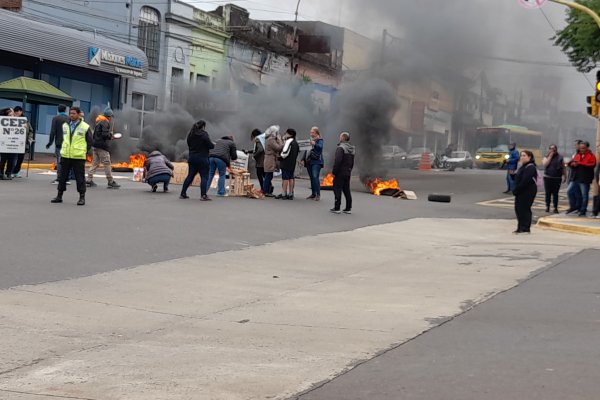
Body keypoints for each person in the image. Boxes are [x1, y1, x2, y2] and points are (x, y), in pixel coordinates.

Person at [51, 106, 92, 206]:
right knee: (62, 177)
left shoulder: (85, 127)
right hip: (65, 155)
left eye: (74, 113)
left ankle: (82, 197)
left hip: (78, 156)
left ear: (78, 114)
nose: (71, 115)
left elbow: (90, 142)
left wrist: (83, 152)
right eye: (70, 113)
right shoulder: (65, 125)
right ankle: (59, 196)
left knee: (80, 178)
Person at [180, 120, 214, 201]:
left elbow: (189, 144)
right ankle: (203, 195)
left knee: (190, 176)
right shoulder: (204, 134)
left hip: (192, 158)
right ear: (203, 126)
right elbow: (210, 145)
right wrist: (213, 145)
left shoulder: (191, 134)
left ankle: (183, 193)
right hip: (202, 158)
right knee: (204, 177)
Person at [87, 108, 120, 189]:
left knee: (95, 163)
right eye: (111, 117)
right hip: (102, 147)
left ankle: (89, 179)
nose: (111, 118)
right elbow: (105, 135)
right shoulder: (105, 122)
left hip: (95, 145)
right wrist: (111, 136)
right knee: (107, 163)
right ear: (109, 116)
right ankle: (110, 181)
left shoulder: (98, 122)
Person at [568, 141, 597, 217]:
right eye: (580, 148)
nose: (581, 149)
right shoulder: (577, 154)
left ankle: (583, 210)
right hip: (575, 178)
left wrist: (580, 163)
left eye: (583, 148)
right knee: (570, 191)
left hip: (584, 179)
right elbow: (572, 162)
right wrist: (572, 164)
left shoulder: (591, 155)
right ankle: (574, 207)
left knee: (584, 195)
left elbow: (592, 165)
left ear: (587, 148)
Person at [512, 150, 538, 234]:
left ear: (529, 157)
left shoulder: (530, 167)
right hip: (520, 191)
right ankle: (520, 227)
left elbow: (525, 180)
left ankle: (525, 228)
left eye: (524, 155)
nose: (522, 157)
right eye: (521, 155)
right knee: (518, 209)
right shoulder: (523, 166)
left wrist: (517, 189)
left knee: (524, 209)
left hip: (527, 191)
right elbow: (518, 178)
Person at [331, 132, 355, 214]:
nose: (339, 138)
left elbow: (337, 161)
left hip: (340, 172)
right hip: (347, 172)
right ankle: (348, 208)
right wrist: (349, 170)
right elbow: (352, 162)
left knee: (337, 189)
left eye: (340, 136)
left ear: (343, 138)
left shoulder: (340, 148)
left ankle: (337, 208)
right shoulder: (352, 149)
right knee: (346, 190)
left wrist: (334, 172)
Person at [46, 104, 70, 184]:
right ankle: (67, 178)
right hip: (68, 143)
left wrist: (50, 143)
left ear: (58, 110)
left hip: (59, 142)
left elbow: (53, 131)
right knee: (67, 160)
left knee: (60, 161)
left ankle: (59, 178)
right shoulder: (69, 118)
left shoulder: (56, 118)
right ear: (66, 110)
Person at [11, 106, 34, 178]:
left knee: (20, 159)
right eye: (16, 111)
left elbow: (31, 130)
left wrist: (30, 138)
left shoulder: (25, 120)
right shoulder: (11, 119)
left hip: (22, 143)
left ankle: (16, 171)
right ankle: (11, 171)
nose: (18, 113)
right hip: (13, 142)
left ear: (21, 112)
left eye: (19, 111)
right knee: (13, 158)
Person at [276, 128, 300, 200]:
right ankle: (291, 193)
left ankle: (284, 193)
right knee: (291, 178)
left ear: (290, 134)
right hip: (292, 163)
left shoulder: (288, 142)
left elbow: (285, 152)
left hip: (286, 162)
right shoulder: (295, 142)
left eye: (286, 133)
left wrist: (280, 157)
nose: (285, 134)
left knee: (285, 178)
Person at [542, 144, 565, 214]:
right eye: (551, 149)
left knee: (555, 194)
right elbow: (545, 164)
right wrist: (550, 156)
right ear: (549, 149)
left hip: (557, 178)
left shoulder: (560, 157)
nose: (553, 150)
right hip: (548, 177)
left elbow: (563, 167)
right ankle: (547, 206)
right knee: (548, 193)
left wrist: (565, 176)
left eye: (554, 149)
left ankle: (555, 207)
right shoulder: (546, 157)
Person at [262, 125, 283, 198]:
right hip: (270, 159)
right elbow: (278, 148)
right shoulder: (271, 140)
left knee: (268, 175)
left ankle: (266, 190)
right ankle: (266, 191)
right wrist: (280, 140)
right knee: (269, 176)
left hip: (269, 158)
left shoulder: (268, 138)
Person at [305, 126, 324, 201]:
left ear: (316, 133)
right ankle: (313, 194)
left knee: (315, 177)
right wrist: (303, 159)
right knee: (312, 178)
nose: (311, 133)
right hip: (310, 161)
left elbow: (320, 147)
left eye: (312, 132)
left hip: (317, 161)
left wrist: (314, 143)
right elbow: (307, 150)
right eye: (310, 132)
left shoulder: (320, 140)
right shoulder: (310, 140)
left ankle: (318, 194)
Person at [566, 140, 583, 214]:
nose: (575, 146)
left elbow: (576, 164)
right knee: (576, 193)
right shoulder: (575, 154)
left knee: (570, 191)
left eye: (576, 145)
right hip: (573, 176)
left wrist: (571, 163)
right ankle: (577, 207)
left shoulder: (581, 154)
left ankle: (574, 207)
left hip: (578, 177)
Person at [0, 107, 16, 180]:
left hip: (13, 144)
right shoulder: (1, 121)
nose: (12, 116)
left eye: (13, 114)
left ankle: (9, 173)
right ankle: (1, 173)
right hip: (3, 144)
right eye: (10, 114)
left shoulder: (17, 121)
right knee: (2, 160)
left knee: (12, 160)